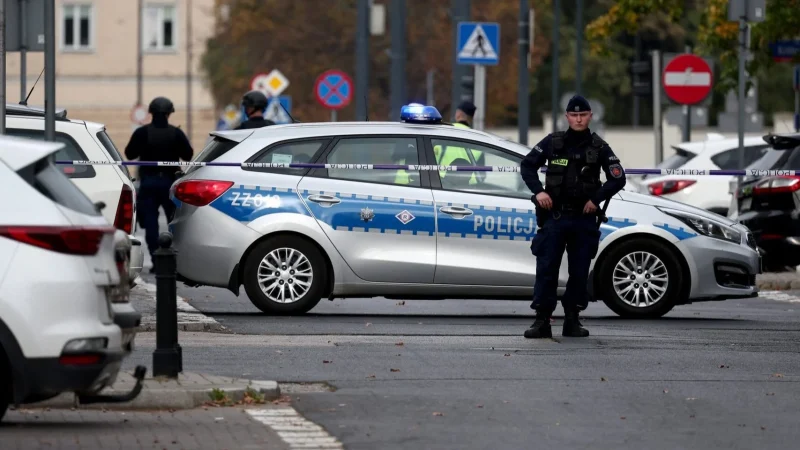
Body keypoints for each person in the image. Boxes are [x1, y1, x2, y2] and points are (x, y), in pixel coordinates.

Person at [519, 95, 627, 339]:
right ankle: (541, 321)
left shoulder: (599, 146)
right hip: (554, 217)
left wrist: (595, 199)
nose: (578, 119)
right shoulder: (552, 142)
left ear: (590, 116)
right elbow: (527, 166)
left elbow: (618, 178)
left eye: (583, 114)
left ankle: (572, 320)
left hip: (583, 219)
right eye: (574, 115)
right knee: (547, 269)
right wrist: (539, 192)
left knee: (579, 271)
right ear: (567, 117)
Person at [124, 96, 194, 271]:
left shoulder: (142, 133)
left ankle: (157, 262)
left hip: (148, 183)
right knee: (174, 223)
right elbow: (188, 155)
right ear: (169, 113)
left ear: (151, 113)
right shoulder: (176, 133)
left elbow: (130, 154)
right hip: (170, 184)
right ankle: (173, 262)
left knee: (150, 225)